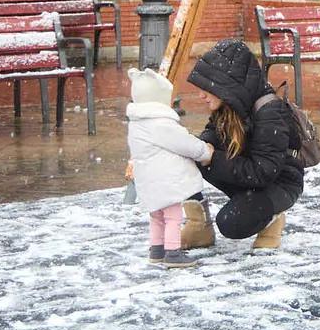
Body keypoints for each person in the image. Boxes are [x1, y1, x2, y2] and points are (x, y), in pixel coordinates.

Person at [188, 39, 304, 251]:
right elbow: (211, 135)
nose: (201, 95)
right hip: (251, 172)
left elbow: (263, 172)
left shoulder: (270, 111)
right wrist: (193, 146)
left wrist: (213, 158)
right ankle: (199, 227)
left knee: (232, 223)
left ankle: (271, 218)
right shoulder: (229, 105)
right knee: (190, 156)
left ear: (226, 84)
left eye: (206, 88)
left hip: (280, 183)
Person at [126, 67, 214, 268]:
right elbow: (186, 143)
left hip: (148, 180)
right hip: (167, 183)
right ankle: (173, 253)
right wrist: (205, 152)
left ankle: (157, 249)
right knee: (173, 217)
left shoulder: (137, 123)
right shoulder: (161, 124)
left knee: (156, 216)